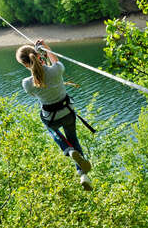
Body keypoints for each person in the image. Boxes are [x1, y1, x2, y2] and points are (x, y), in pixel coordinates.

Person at [16, 40, 93, 191]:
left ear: (25, 65)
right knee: (74, 139)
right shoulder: (57, 70)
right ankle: (83, 175)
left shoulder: (27, 83)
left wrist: (40, 57)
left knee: (51, 128)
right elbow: (55, 60)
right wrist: (46, 48)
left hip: (51, 118)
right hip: (68, 112)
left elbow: (35, 91)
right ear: (39, 56)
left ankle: (68, 151)